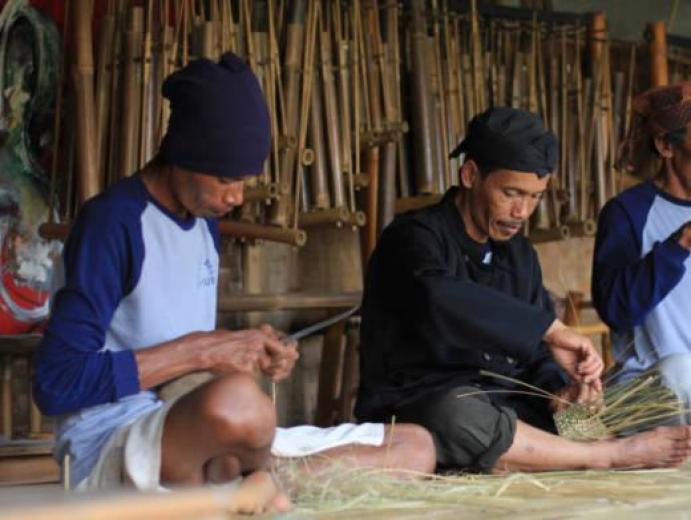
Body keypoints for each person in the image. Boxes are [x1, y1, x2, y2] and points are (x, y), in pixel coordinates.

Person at [32, 53, 434, 514]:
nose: (237, 197)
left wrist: (252, 350)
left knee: (414, 446)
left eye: (245, 180)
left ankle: (257, 481)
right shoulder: (113, 223)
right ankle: (249, 479)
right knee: (241, 403)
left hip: (203, 430)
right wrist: (204, 350)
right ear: (182, 154)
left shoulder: (203, 221)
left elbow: (194, 362)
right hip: (116, 442)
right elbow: (56, 382)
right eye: (225, 179)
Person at [355, 106, 691, 474]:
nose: (522, 211)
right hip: (421, 406)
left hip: (507, 409)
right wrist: (550, 329)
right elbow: (438, 296)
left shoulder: (518, 254)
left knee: (580, 420)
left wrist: (559, 391)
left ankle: (560, 452)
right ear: (470, 175)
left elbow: (536, 357)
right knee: (454, 414)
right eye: (511, 193)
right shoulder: (413, 237)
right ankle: (606, 456)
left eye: (535, 197)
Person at [593, 81, 691, 421]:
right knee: (682, 370)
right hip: (643, 390)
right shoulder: (628, 213)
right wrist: (680, 245)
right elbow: (616, 311)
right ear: (665, 145)